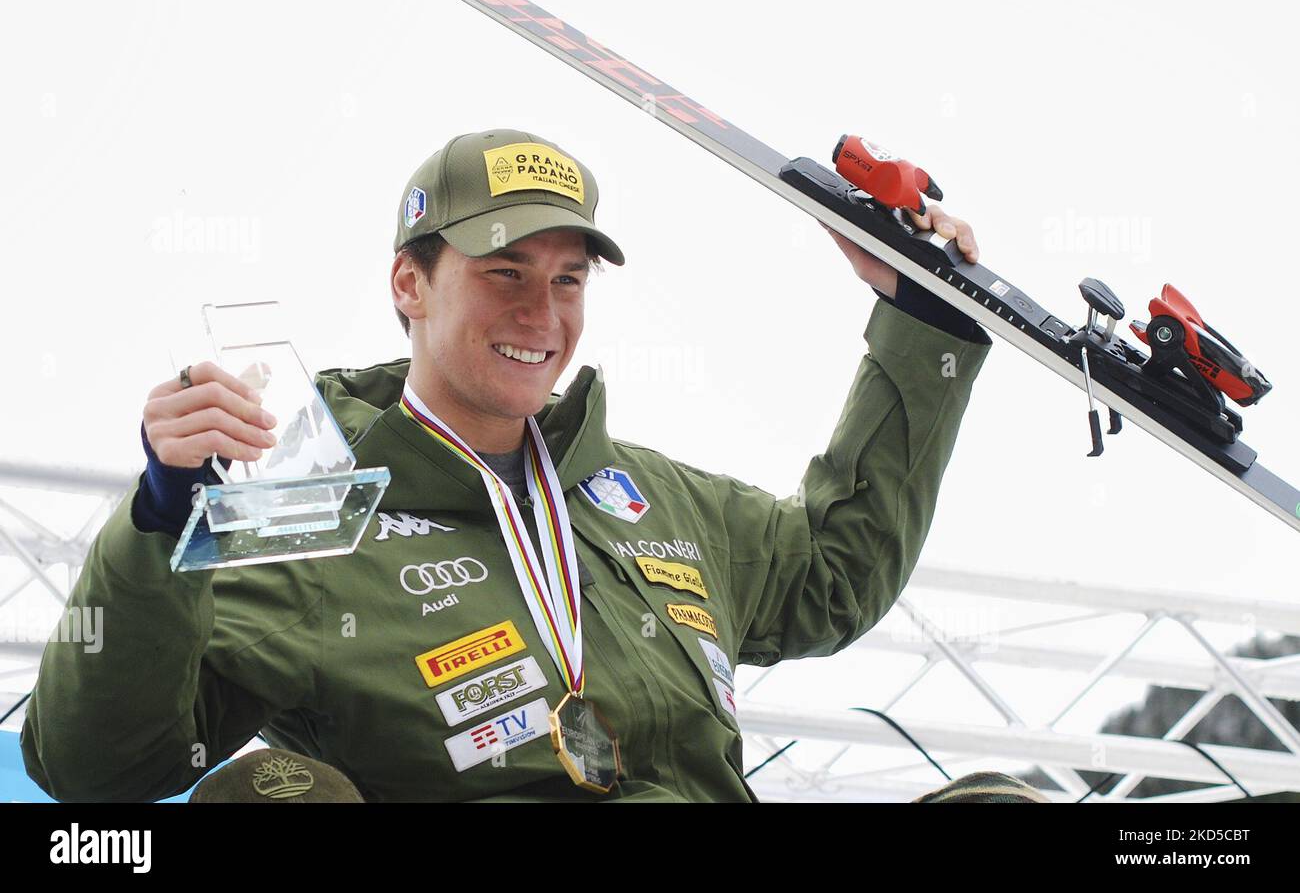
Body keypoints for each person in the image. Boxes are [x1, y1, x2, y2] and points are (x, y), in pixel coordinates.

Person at [22, 128, 992, 802]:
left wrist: (926, 329)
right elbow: (94, 769)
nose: (542, 313)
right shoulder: (303, 524)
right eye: (504, 273)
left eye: (567, 278)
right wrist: (157, 522)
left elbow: (834, 574)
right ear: (410, 283)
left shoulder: (653, 499)